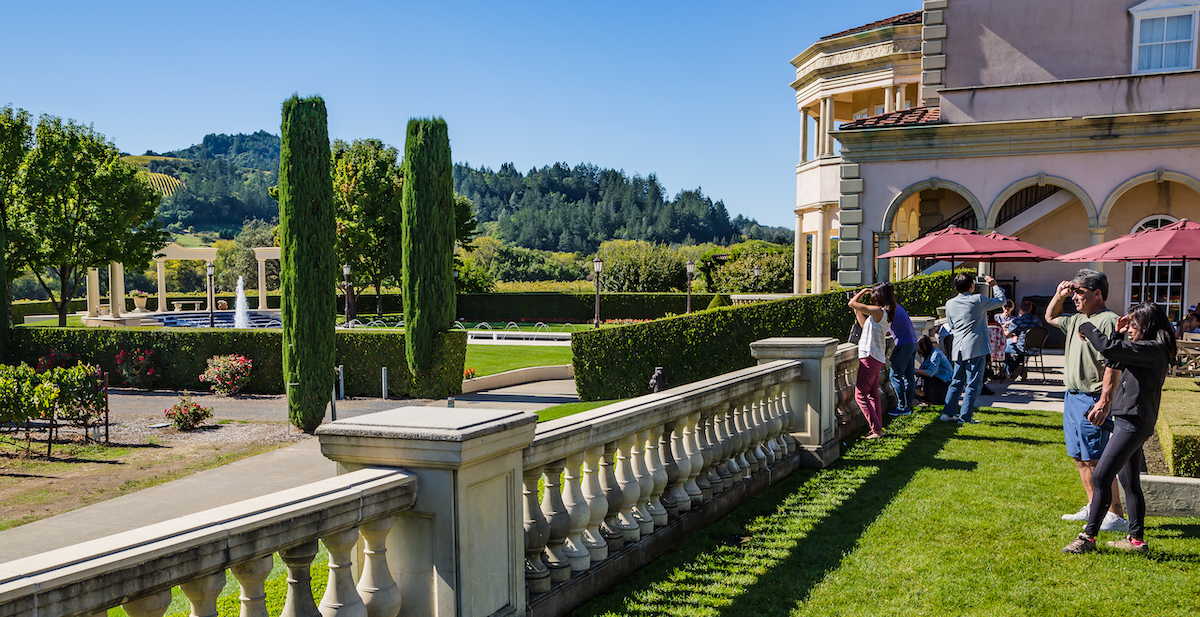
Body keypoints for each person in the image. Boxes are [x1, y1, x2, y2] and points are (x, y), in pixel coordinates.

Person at [1061, 302, 1175, 554]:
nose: (1131, 330)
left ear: (1147, 326)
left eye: (1134, 326)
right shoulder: (1145, 349)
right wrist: (1116, 332)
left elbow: (1107, 348)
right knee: (1129, 480)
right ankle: (1136, 541)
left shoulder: (1153, 349)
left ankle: (1087, 538)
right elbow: (1113, 355)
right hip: (1131, 420)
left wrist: (1087, 327)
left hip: (1133, 423)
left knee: (1102, 476)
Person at [1046, 269, 1126, 532]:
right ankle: (1094, 506)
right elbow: (1050, 316)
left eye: (1080, 292)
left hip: (1093, 397)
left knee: (1097, 458)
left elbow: (1114, 365)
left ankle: (1115, 513)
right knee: (1080, 457)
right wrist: (1060, 294)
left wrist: (1104, 400)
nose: (1074, 297)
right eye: (1073, 292)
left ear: (1098, 293)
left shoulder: (1109, 321)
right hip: (1073, 396)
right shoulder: (1076, 319)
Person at [941, 273, 1006, 424]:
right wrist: (995, 285)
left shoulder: (950, 303)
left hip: (957, 347)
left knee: (956, 381)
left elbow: (950, 324)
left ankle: (947, 413)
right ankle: (965, 417)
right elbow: (1001, 301)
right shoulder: (977, 299)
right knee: (973, 383)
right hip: (975, 346)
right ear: (971, 285)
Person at [849, 286, 890, 439]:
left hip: (870, 357)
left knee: (860, 395)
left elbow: (851, 303)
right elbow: (863, 323)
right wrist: (857, 301)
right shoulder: (883, 314)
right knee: (873, 395)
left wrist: (861, 293)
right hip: (876, 358)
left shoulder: (878, 312)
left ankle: (877, 430)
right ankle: (877, 428)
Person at [877, 283, 918, 417]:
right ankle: (908, 405)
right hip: (912, 342)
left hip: (903, 344)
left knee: (895, 375)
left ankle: (902, 407)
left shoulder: (888, 310)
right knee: (909, 376)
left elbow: (880, 328)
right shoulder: (897, 307)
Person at [1003, 299, 1042, 380]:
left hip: (1021, 348)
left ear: (1020, 309)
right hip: (1036, 349)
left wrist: (1004, 329)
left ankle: (1011, 370)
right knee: (1013, 345)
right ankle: (1018, 367)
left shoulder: (1018, 321)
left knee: (1004, 348)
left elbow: (1006, 335)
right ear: (1031, 308)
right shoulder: (1037, 321)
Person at [915, 335, 952, 406]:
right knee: (920, 379)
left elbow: (930, 373)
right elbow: (921, 370)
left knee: (927, 379)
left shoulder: (936, 354)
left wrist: (915, 370)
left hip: (943, 382)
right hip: (936, 379)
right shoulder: (927, 356)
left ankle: (934, 398)